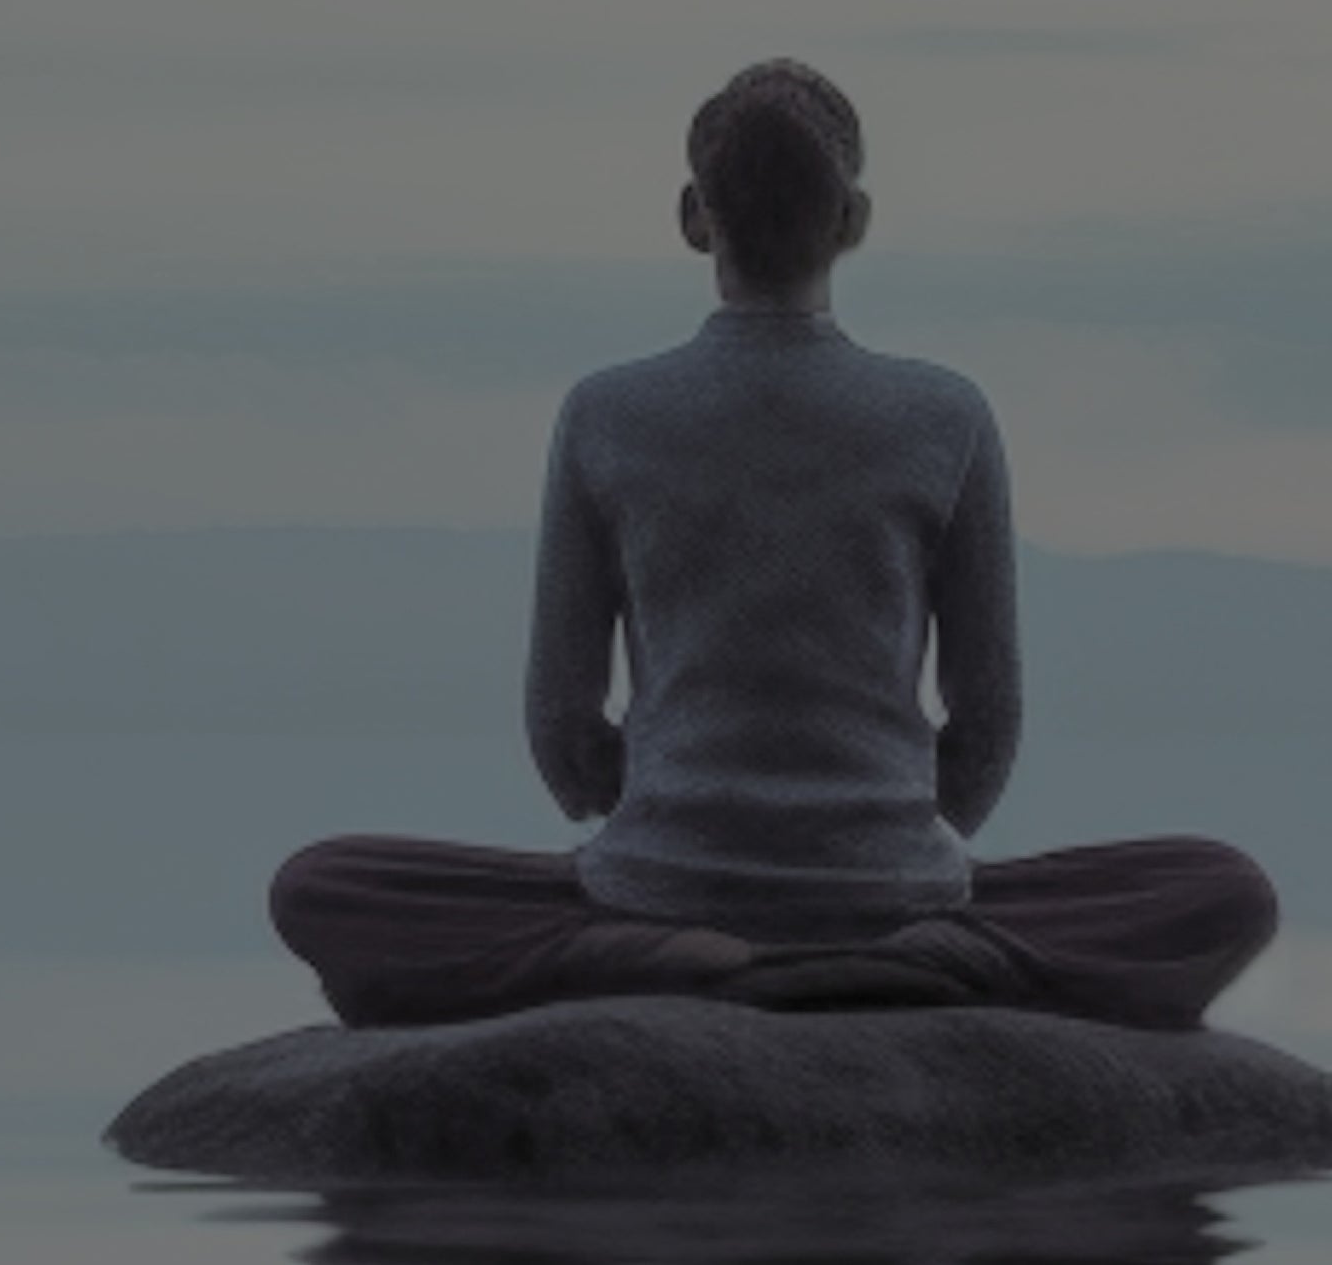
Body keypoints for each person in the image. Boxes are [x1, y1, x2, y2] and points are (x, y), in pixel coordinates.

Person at [271, 59, 1275, 1031]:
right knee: (1220, 889)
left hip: (662, 883)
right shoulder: (945, 415)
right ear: (852, 221)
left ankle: (637, 960)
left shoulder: (606, 412)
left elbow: (561, 726)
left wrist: (665, 824)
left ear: (692, 216)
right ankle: (928, 962)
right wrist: (893, 850)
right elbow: (989, 720)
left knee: (327, 886)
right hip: (891, 885)